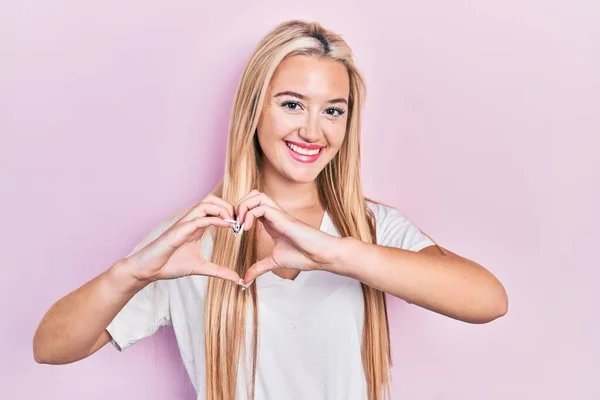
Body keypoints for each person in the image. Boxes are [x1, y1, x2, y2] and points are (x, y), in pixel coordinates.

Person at [33, 19, 508, 400]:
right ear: (254, 109)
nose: (313, 131)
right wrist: (134, 273)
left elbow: (488, 300)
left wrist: (337, 253)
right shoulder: (189, 240)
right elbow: (51, 347)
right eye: (292, 104)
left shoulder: (371, 228)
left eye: (333, 110)